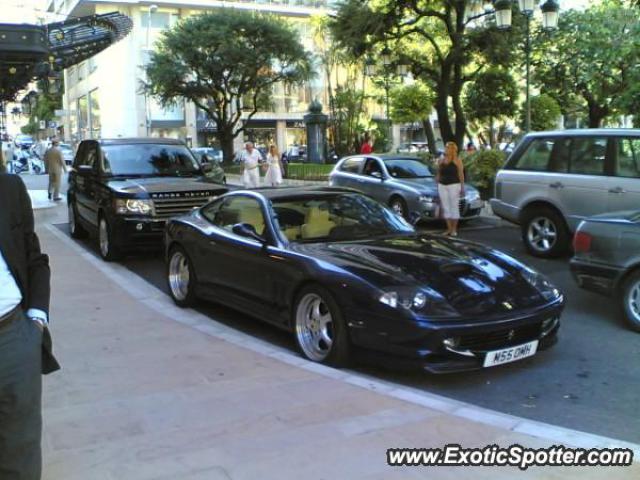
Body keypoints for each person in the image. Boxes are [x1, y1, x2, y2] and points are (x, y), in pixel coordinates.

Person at [0, 173, 60, 480]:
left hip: (13, 335)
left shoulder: (9, 188)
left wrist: (36, 318)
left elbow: (33, 257)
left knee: (20, 452)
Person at [436, 141, 465, 237]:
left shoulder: (457, 160)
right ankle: (448, 228)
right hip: (442, 185)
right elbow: (439, 173)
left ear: (453, 149)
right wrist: (437, 182)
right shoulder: (441, 159)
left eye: (448, 147)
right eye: (446, 147)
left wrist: (462, 187)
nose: (446, 149)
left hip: (454, 185)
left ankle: (454, 229)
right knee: (445, 207)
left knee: (454, 206)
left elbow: (461, 174)